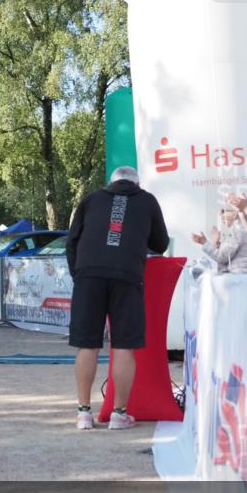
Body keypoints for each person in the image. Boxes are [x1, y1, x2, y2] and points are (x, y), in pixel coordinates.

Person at [66, 166, 169, 431]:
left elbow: (72, 241)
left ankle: (83, 413)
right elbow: (160, 243)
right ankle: (119, 414)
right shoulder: (147, 200)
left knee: (86, 344)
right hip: (127, 276)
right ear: (137, 183)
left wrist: (79, 274)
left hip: (89, 277)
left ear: (111, 181)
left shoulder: (90, 199)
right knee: (123, 345)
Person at [190, 206, 247, 273]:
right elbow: (225, 261)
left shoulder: (236, 230)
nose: (220, 214)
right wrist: (217, 245)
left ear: (235, 213)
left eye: (224, 211)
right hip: (246, 275)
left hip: (239, 276)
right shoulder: (244, 228)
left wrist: (204, 242)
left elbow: (222, 257)